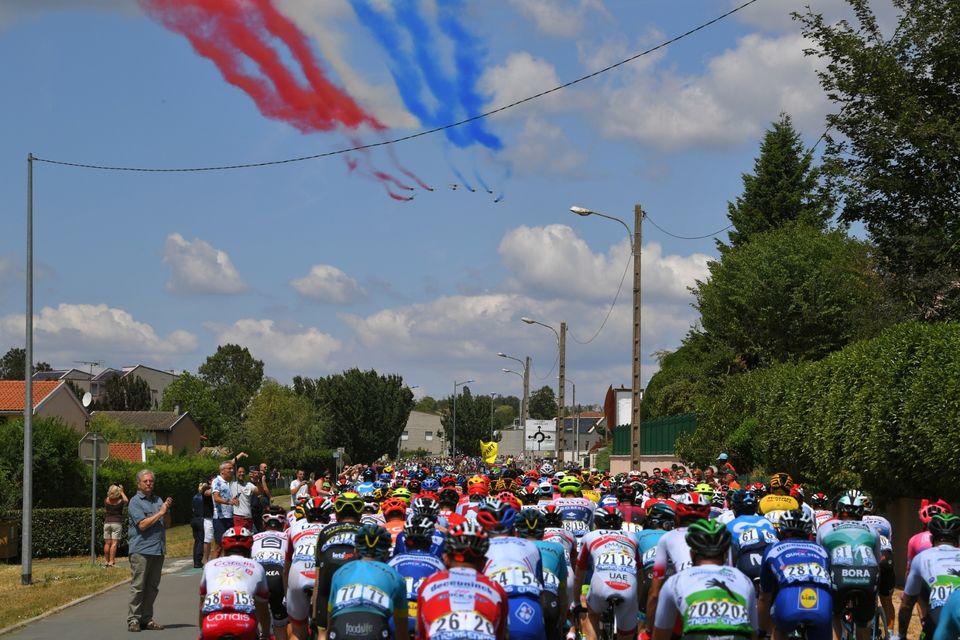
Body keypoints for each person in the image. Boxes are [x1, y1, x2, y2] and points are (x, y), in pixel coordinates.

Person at [653, 519, 758, 640]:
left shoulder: (675, 581)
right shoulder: (744, 580)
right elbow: (753, 633)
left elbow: (661, 634)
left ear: (692, 554)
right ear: (725, 555)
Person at [416, 520, 509, 640]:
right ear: (483, 562)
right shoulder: (497, 589)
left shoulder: (428, 583)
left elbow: (421, 635)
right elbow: (500, 635)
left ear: (446, 558)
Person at [815, 490, 881, 640]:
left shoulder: (825, 527)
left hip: (839, 574)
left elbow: (820, 560)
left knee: (834, 616)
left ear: (838, 510)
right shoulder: (872, 529)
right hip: (868, 575)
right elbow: (877, 560)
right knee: (864, 624)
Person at [758, 509, 832, 640]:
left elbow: (764, 597)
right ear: (808, 531)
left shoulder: (772, 549)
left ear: (781, 530)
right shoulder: (822, 550)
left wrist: (762, 631)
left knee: (779, 630)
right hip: (821, 602)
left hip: (788, 601)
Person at [326, 524, 409, 640]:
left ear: (355, 551)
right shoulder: (396, 577)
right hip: (375, 628)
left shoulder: (340, 572)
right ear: (386, 554)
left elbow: (330, 618)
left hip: (340, 627)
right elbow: (402, 632)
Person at [575, 506, 640, 640]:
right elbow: (640, 573)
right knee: (626, 634)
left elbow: (579, 573)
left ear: (597, 523)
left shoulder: (589, 537)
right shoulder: (633, 538)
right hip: (628, 587)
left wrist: (576, 601)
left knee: (591, 614)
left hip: (601, 586)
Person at [198, 527, 272, 640]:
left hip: (212, 625)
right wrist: (266, 635)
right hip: (244, 625)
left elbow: (202, 607)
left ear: (224, 547)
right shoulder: (257, 566)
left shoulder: (210, 565)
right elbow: (263, 610)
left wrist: (202, 633)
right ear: (250, 547)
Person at [898, 513, 960, 640]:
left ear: (932, 540)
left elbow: (907, 605)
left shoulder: (921, 558)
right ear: (958, 541)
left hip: (938, 617)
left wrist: (901, 636)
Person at [127, 468, 173, 633]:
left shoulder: (158, 500)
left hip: (157, 549)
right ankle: (133, 619)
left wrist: (166, 511)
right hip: (141, 550)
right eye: (145, 481)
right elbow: (142, 525)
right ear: (138, 484)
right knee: (138, 586)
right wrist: (160, 512)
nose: (148, 484)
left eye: (151, 481)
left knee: (152, 587)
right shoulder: (135, 502)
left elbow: (167, 524)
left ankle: (146, 618)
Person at [389, 516, 447, 637]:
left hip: (396, 618)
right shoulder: (440, 564)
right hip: (424, 618)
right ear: (430, 542)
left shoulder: (393, 561)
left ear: (404, 542)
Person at [252, 506, 289, 640]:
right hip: (278, 575)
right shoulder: (288, 536)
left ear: (263, 523)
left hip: (257, 574)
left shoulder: (254, 537)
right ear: (284, 523)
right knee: (281, 625)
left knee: (255, 618)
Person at [211, 461, 239, 558]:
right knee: (219, 546)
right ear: (222, 471)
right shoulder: (217, 481)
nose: (232, 471)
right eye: (229, 469)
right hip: (220, 518)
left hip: (229, 517)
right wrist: (229, 502)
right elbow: (216, 498)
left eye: (232, 468)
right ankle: (211, 569)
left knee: (230, 545)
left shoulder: (228, 483)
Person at [104, 483, 129, 568]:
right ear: (117, 492)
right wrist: (122, 492)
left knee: (107, 543)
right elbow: (126, 500)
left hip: (107, 523)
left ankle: (106, 561)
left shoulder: (106, 500)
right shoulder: (120, 501)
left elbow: (110, 495)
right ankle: (112, 562)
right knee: (114, 543)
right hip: (116, 523)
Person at [191, 482, 206, 568]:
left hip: (194, 519)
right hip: (201, 520)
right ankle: (198, 561)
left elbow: (193, 508)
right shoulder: (204, 497)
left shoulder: (195, 497)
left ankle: (195, 560)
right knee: (201, 540)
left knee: (197, 541)